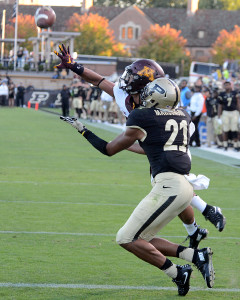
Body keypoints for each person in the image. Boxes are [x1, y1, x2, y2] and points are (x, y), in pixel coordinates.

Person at [54, 44, 226, 247]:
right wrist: (74, 66)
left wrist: (118, 143)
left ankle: (207, 210)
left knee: (170, 182)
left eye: (133, 79)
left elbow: (167, 136)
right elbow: (99, 81)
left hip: (173, 141)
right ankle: (195, 229)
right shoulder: (126, 95)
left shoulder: (162, 103)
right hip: (150, 141)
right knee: (170, 187)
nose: (126, 82)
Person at [60, 78, 215, 296]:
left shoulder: (142, 117)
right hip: (184, 187)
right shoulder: (183, 115)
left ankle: (179, 273)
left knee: (126, 238)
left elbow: (108, 149)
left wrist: (84, 130)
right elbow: (152, 147)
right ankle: (194, 256)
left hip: (169, 186)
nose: (142, 97)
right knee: (143, 239)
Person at [217, 81, 240, 151]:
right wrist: (219, 116)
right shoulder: (221, 94)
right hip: (225, 112)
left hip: (234, 112)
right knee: (225, 129)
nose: (227, 86)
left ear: (230, 85)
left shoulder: (235, 93)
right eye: (225, 85)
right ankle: (225, 145)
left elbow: (238, 103)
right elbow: (220, 106)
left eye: (228, 85)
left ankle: (236, 145)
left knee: (234, 129)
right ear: (224, 86)